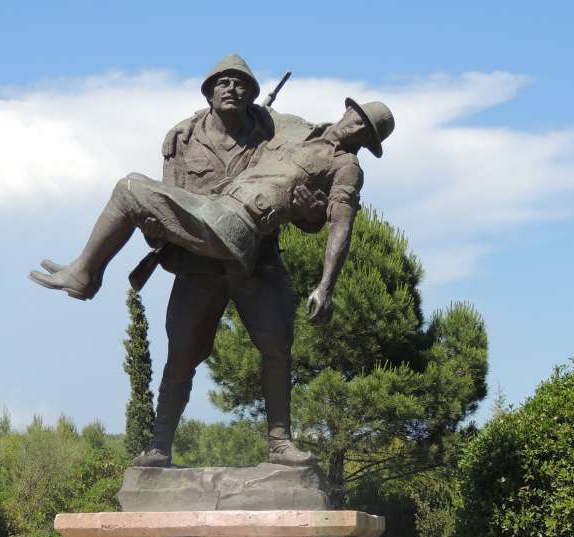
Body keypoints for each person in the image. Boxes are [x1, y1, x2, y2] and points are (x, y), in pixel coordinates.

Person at [30, 58, 394, 468]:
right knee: (182, 352)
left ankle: (279, 443)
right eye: (355, 117)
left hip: (249, 246)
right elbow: (176, 197)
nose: (354, 126)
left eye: (365, 130)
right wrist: (159, 227)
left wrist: (322, 269)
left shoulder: (318, 150)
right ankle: (159, 446)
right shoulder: (222, 134)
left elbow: (334, 221)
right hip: (202, 249)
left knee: (277, 345)